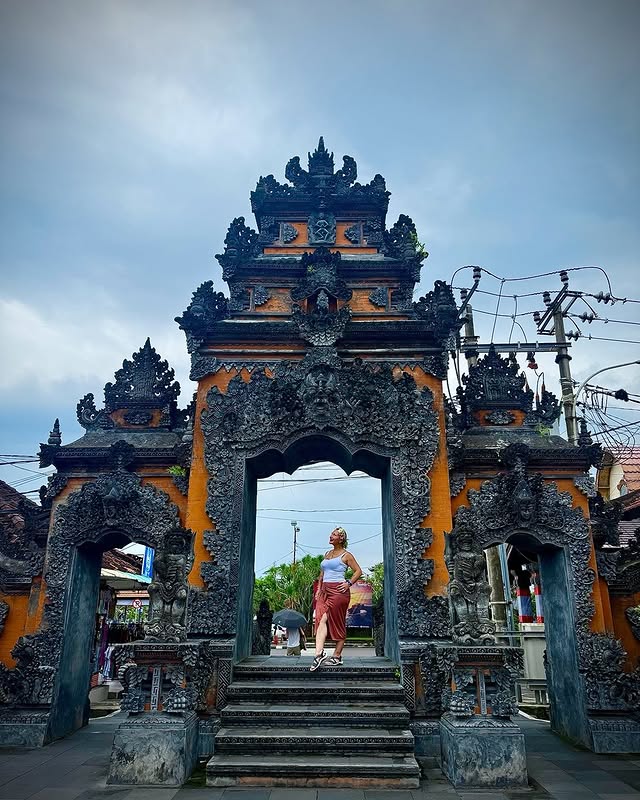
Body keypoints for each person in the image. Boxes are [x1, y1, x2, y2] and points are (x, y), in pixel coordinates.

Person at [310, 526, 362, 671]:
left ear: (341, 538)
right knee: (320, 619)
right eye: (331, 534)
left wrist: (349, 583)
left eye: (334, 534)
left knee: (336, 622)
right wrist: (319, 589)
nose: (330, 536)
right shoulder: (327, 554)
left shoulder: (346, 555)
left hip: (339, 591)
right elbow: (322, 574)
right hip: (325, 591)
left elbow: (358, 571)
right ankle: (318, 654)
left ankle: (337, 656)